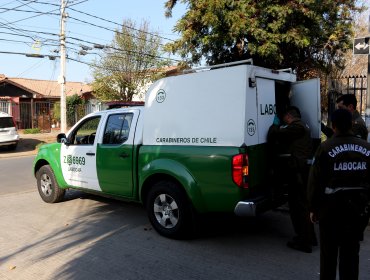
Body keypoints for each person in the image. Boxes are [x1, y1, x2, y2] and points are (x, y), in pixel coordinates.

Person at [308, 109, 370, 280]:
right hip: (357, 211)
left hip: (330, 211)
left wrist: (313, 207)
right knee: (351, 255)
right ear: (351, 124)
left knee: (328, 256)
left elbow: (315, 181)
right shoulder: (366, 148)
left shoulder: (325, 147)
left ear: (333, 126)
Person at [268, 106, 316, 253]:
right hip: (301, 170)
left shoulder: (296, 127)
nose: (284, 121)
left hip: (298, 172)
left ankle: (304, 242)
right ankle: (309, 237)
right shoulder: (302, 125)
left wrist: (275, 124)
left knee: (298, 206)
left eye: (284, 118)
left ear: (289, 116)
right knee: (302, 206)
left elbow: (274, 134)